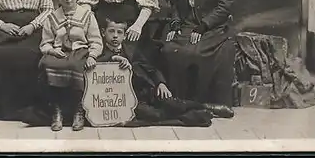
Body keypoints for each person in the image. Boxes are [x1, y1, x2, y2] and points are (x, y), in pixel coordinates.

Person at [96, 16, 233, 126]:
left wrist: (160, 83)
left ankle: (207, 107)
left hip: (146, 92)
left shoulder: (131, 51)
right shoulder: (99, 52)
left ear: (125, 35)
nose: (115, 36)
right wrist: (113, 59)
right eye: (111, 31)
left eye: (119, 32)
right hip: (128, 99)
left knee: (172, 103)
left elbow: (150, 68)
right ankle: (195, 116)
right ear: (103, 33)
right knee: (152, 114)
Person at [161, 0, 235, 109]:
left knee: (196, 53)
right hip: (188, 25)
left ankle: (200, 102)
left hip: (212, 27)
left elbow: (225, 4)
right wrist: (176, 24)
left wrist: (204, 26)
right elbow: (177, 4)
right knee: (169, 49)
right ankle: (177, 100)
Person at [39, 0, 103, 132]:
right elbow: (45, 43)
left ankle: (78, 110)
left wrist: (92, 56)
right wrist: (52, 50)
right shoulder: (52, 18)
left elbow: (96, 41)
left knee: (75, 66)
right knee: (47, 64)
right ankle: (57, 110)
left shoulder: (87, 15)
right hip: (59, 52)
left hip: (80, 51)